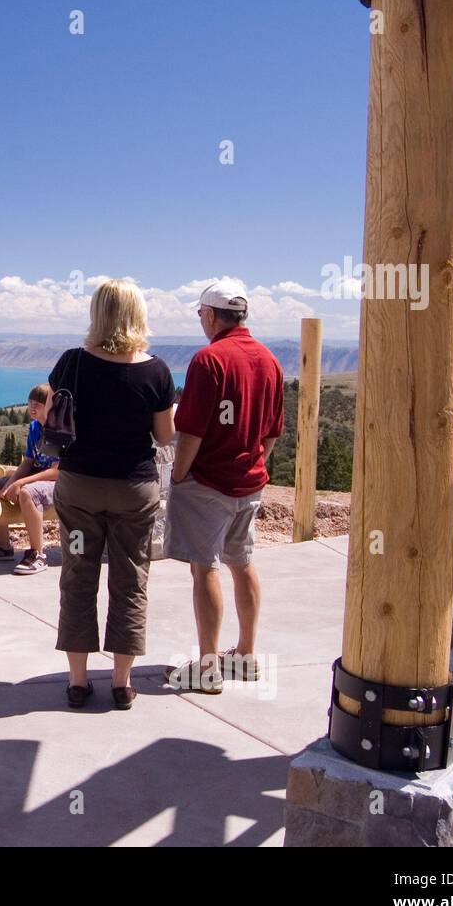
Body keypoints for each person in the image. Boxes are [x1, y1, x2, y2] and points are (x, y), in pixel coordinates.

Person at [49, 280, 176, 711]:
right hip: (133, 491)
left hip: (79, 486)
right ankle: (122, 683)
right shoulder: (156, 370)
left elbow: (54, 418)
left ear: (96, 313)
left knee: (78, 574)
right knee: (130, 579)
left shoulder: (71, 364)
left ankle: (79, 682)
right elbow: (164, 436)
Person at [164, 278, 284, 694]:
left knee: (205, 568)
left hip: (208, 482)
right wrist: (252, 461)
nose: (201, 321)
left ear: (212, 315)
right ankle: (246, 655)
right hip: (249, 483)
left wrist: (178, 476)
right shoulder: (269, 360)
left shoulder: (209, 360)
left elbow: (191, 431)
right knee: (242, 561)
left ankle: (208, 666)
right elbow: (271, 433)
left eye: (200, 314)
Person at [0, 383, 60, 574]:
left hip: (58, 483)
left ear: (50, 406)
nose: (32, 407)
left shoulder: (58, 431)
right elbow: (28, 461)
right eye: (30, 402)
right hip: (37, 475)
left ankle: (38, 553)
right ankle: (4, 545)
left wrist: (21, 483)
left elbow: (56, 471)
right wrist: (10, 483)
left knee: (28, 493)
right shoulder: (35, 427)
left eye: (38, 403)